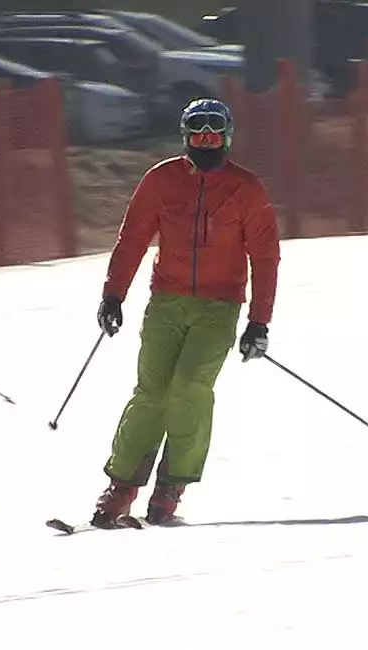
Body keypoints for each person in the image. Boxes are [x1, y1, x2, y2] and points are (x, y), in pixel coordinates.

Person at [90, 97, 281, 528]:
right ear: (185, 137)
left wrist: (259, 322)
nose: (206, 141)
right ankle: (122, 486)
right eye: (198, 133)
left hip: (219, 306)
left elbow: (265, 258)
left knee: (189, 388)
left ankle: (171, 486)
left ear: (227, 137)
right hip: (167, 302)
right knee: (151, 392)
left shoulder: (246, 189)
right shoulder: (161, 180)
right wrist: (113, 295)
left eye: (214, 133)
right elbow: (133, 238)